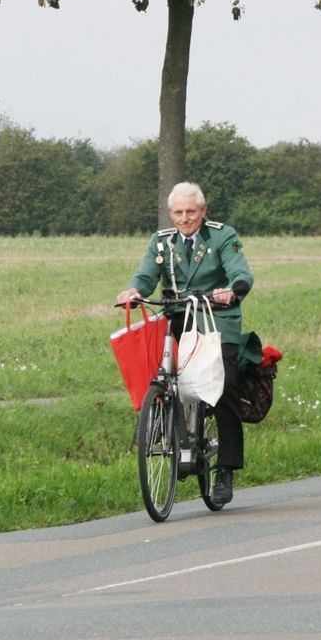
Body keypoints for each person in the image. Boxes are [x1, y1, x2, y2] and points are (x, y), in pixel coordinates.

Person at [117, 182, 254, 505]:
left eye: (191, 211)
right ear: (171, 213)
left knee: (224, 386)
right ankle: (166, 426)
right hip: (177, 317)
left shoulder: (222, 236)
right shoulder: (162, 241)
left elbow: (240, 272)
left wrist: (231, 289)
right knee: (158, 372)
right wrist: (133, 291)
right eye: (178, 212)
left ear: (203, 211)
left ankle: (226, 469)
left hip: (215, 318)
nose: (184, 218)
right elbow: (146, 275)